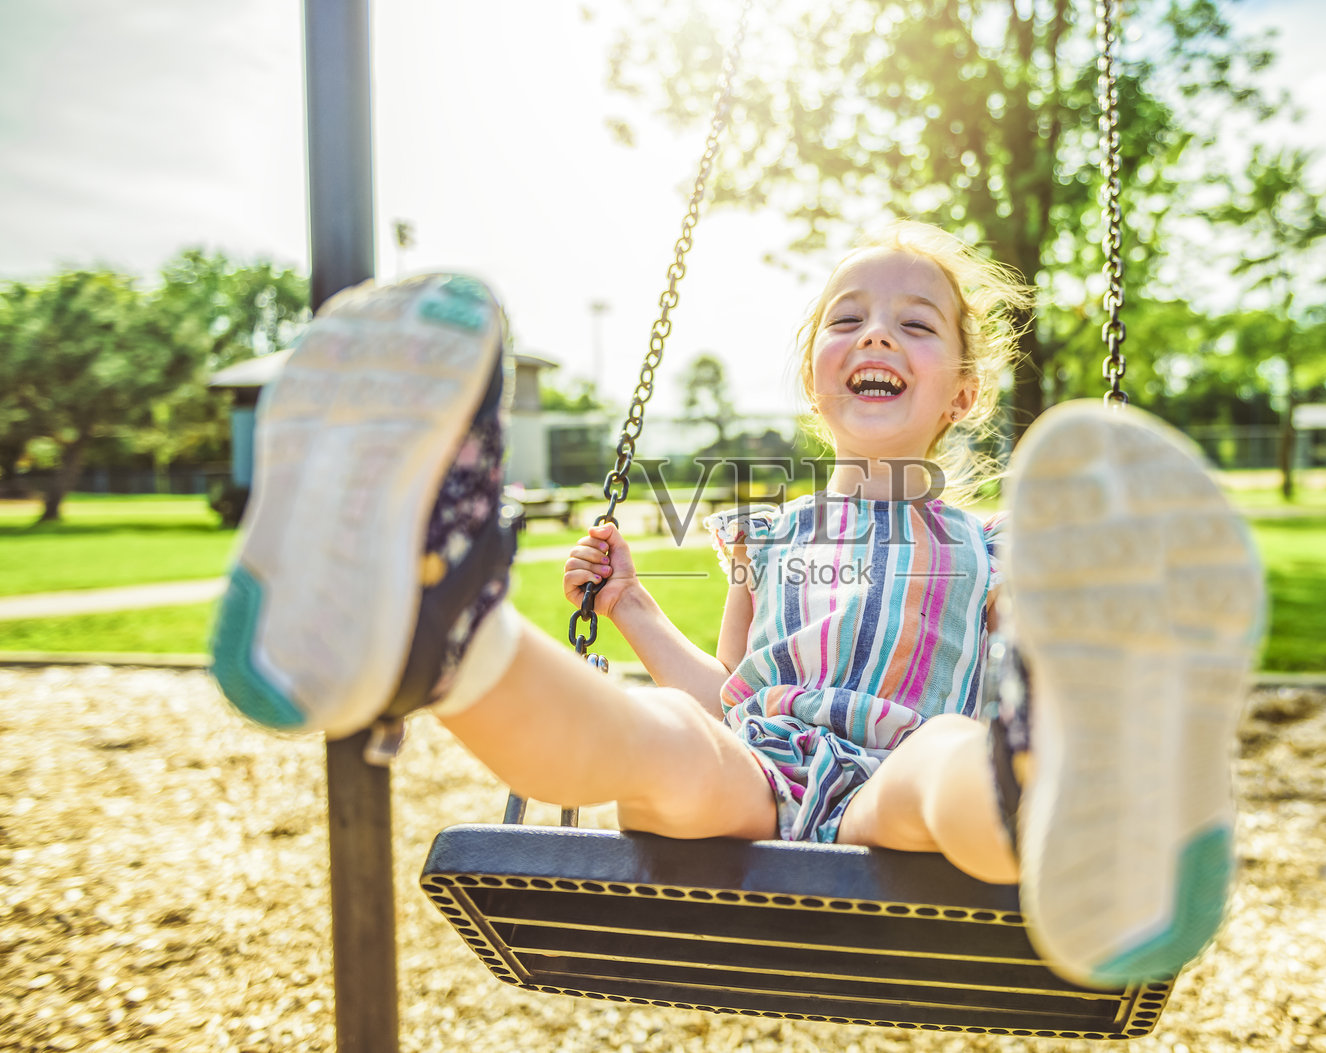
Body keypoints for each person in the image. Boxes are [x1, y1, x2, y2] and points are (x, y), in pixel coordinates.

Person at [209, 222, 1265, 988]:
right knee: (663, 739)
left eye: (915, 325)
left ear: (964, 394)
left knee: (953, 756)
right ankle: (438, 638)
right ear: (816, 379)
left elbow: (988, 678)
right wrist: (630, 612)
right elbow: (731, 694)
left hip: (889, 784)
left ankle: (1063, 797)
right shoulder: (765, 534)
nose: (876, 337)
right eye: (846, 320)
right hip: (759, 769)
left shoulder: (991, 546)